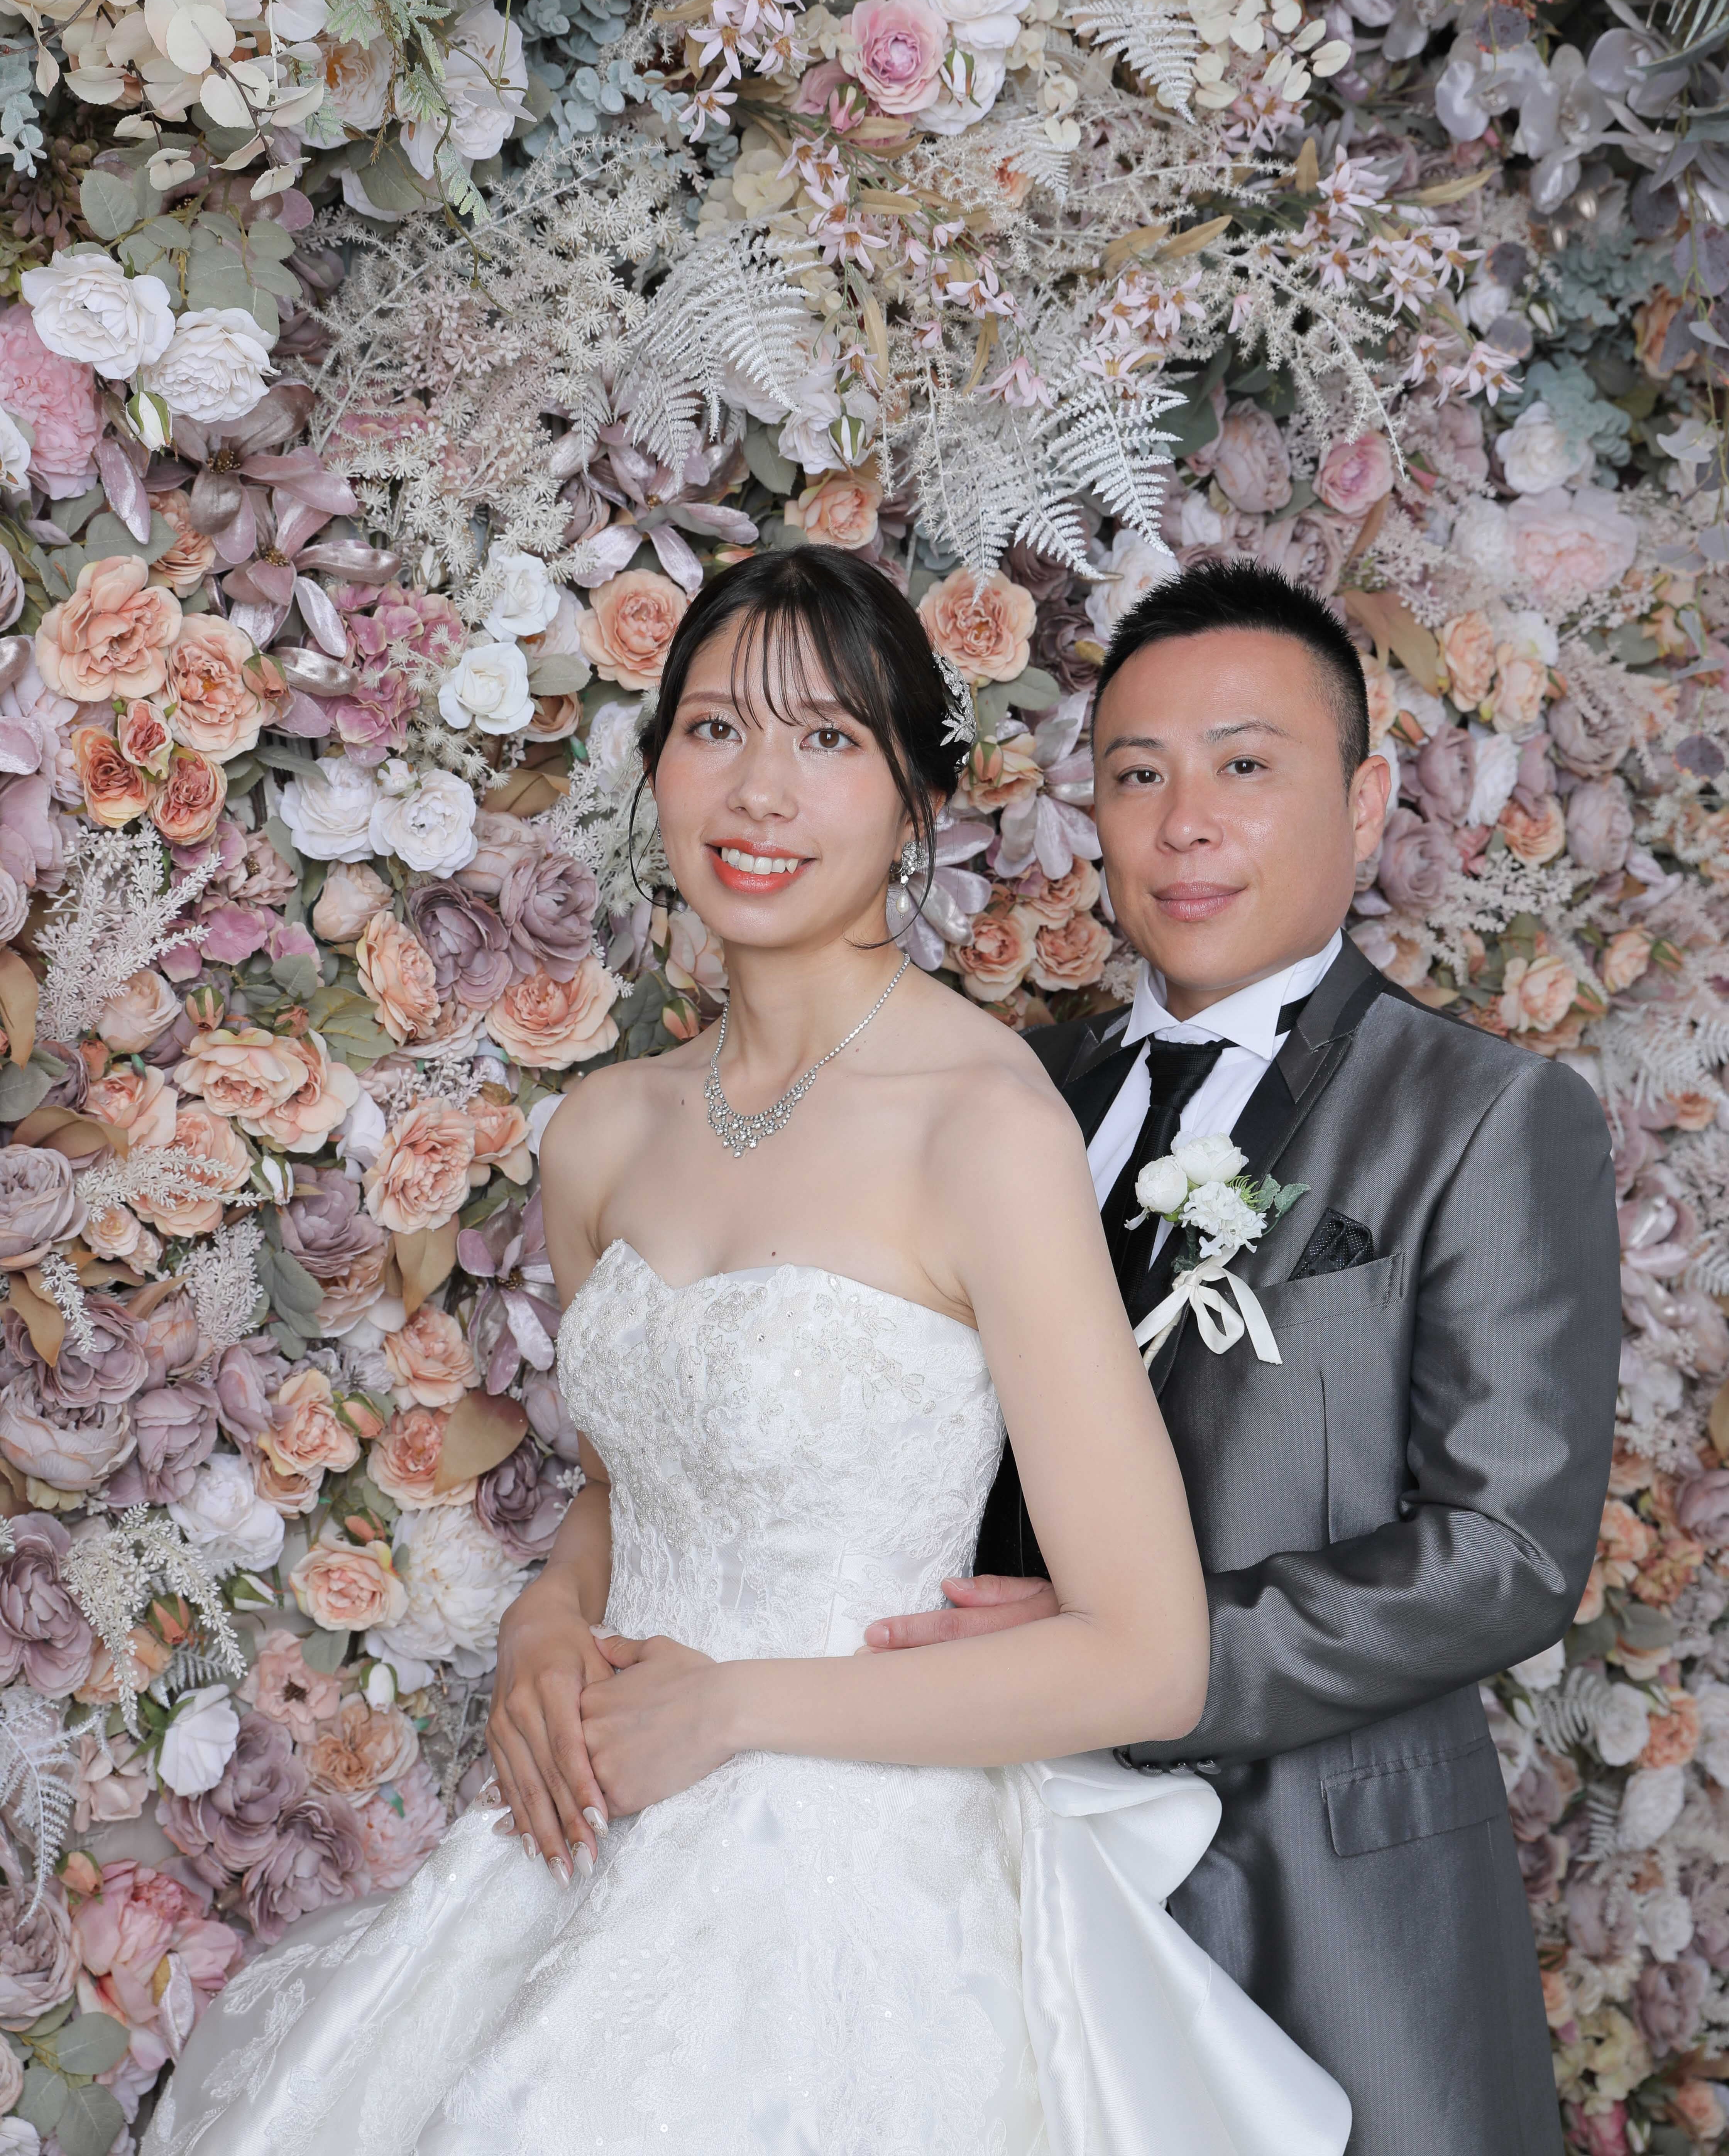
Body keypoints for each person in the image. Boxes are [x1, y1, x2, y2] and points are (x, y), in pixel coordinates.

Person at [142, 548, 1346, 2156]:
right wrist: (547, 1623)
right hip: (585, 1829)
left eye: (827, 740)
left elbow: (1147, 1656)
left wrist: (735, 1712)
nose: (760, 792)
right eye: (716, 730)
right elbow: (634, 1483)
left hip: (856, 1885)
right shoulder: (605, 1131)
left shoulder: (984, 1126)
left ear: (916, 801)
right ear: (656, 770)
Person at [868, 558, 1621, 2156]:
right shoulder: (1006, 1094)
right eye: (1137, 776)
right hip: (979, 1877)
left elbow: (1505, 1553)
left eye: (1244, 767)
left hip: (1322, 1901)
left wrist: (1132, 1661)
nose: (1184, 825)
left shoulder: (1484, 1115)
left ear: (1364, 803)